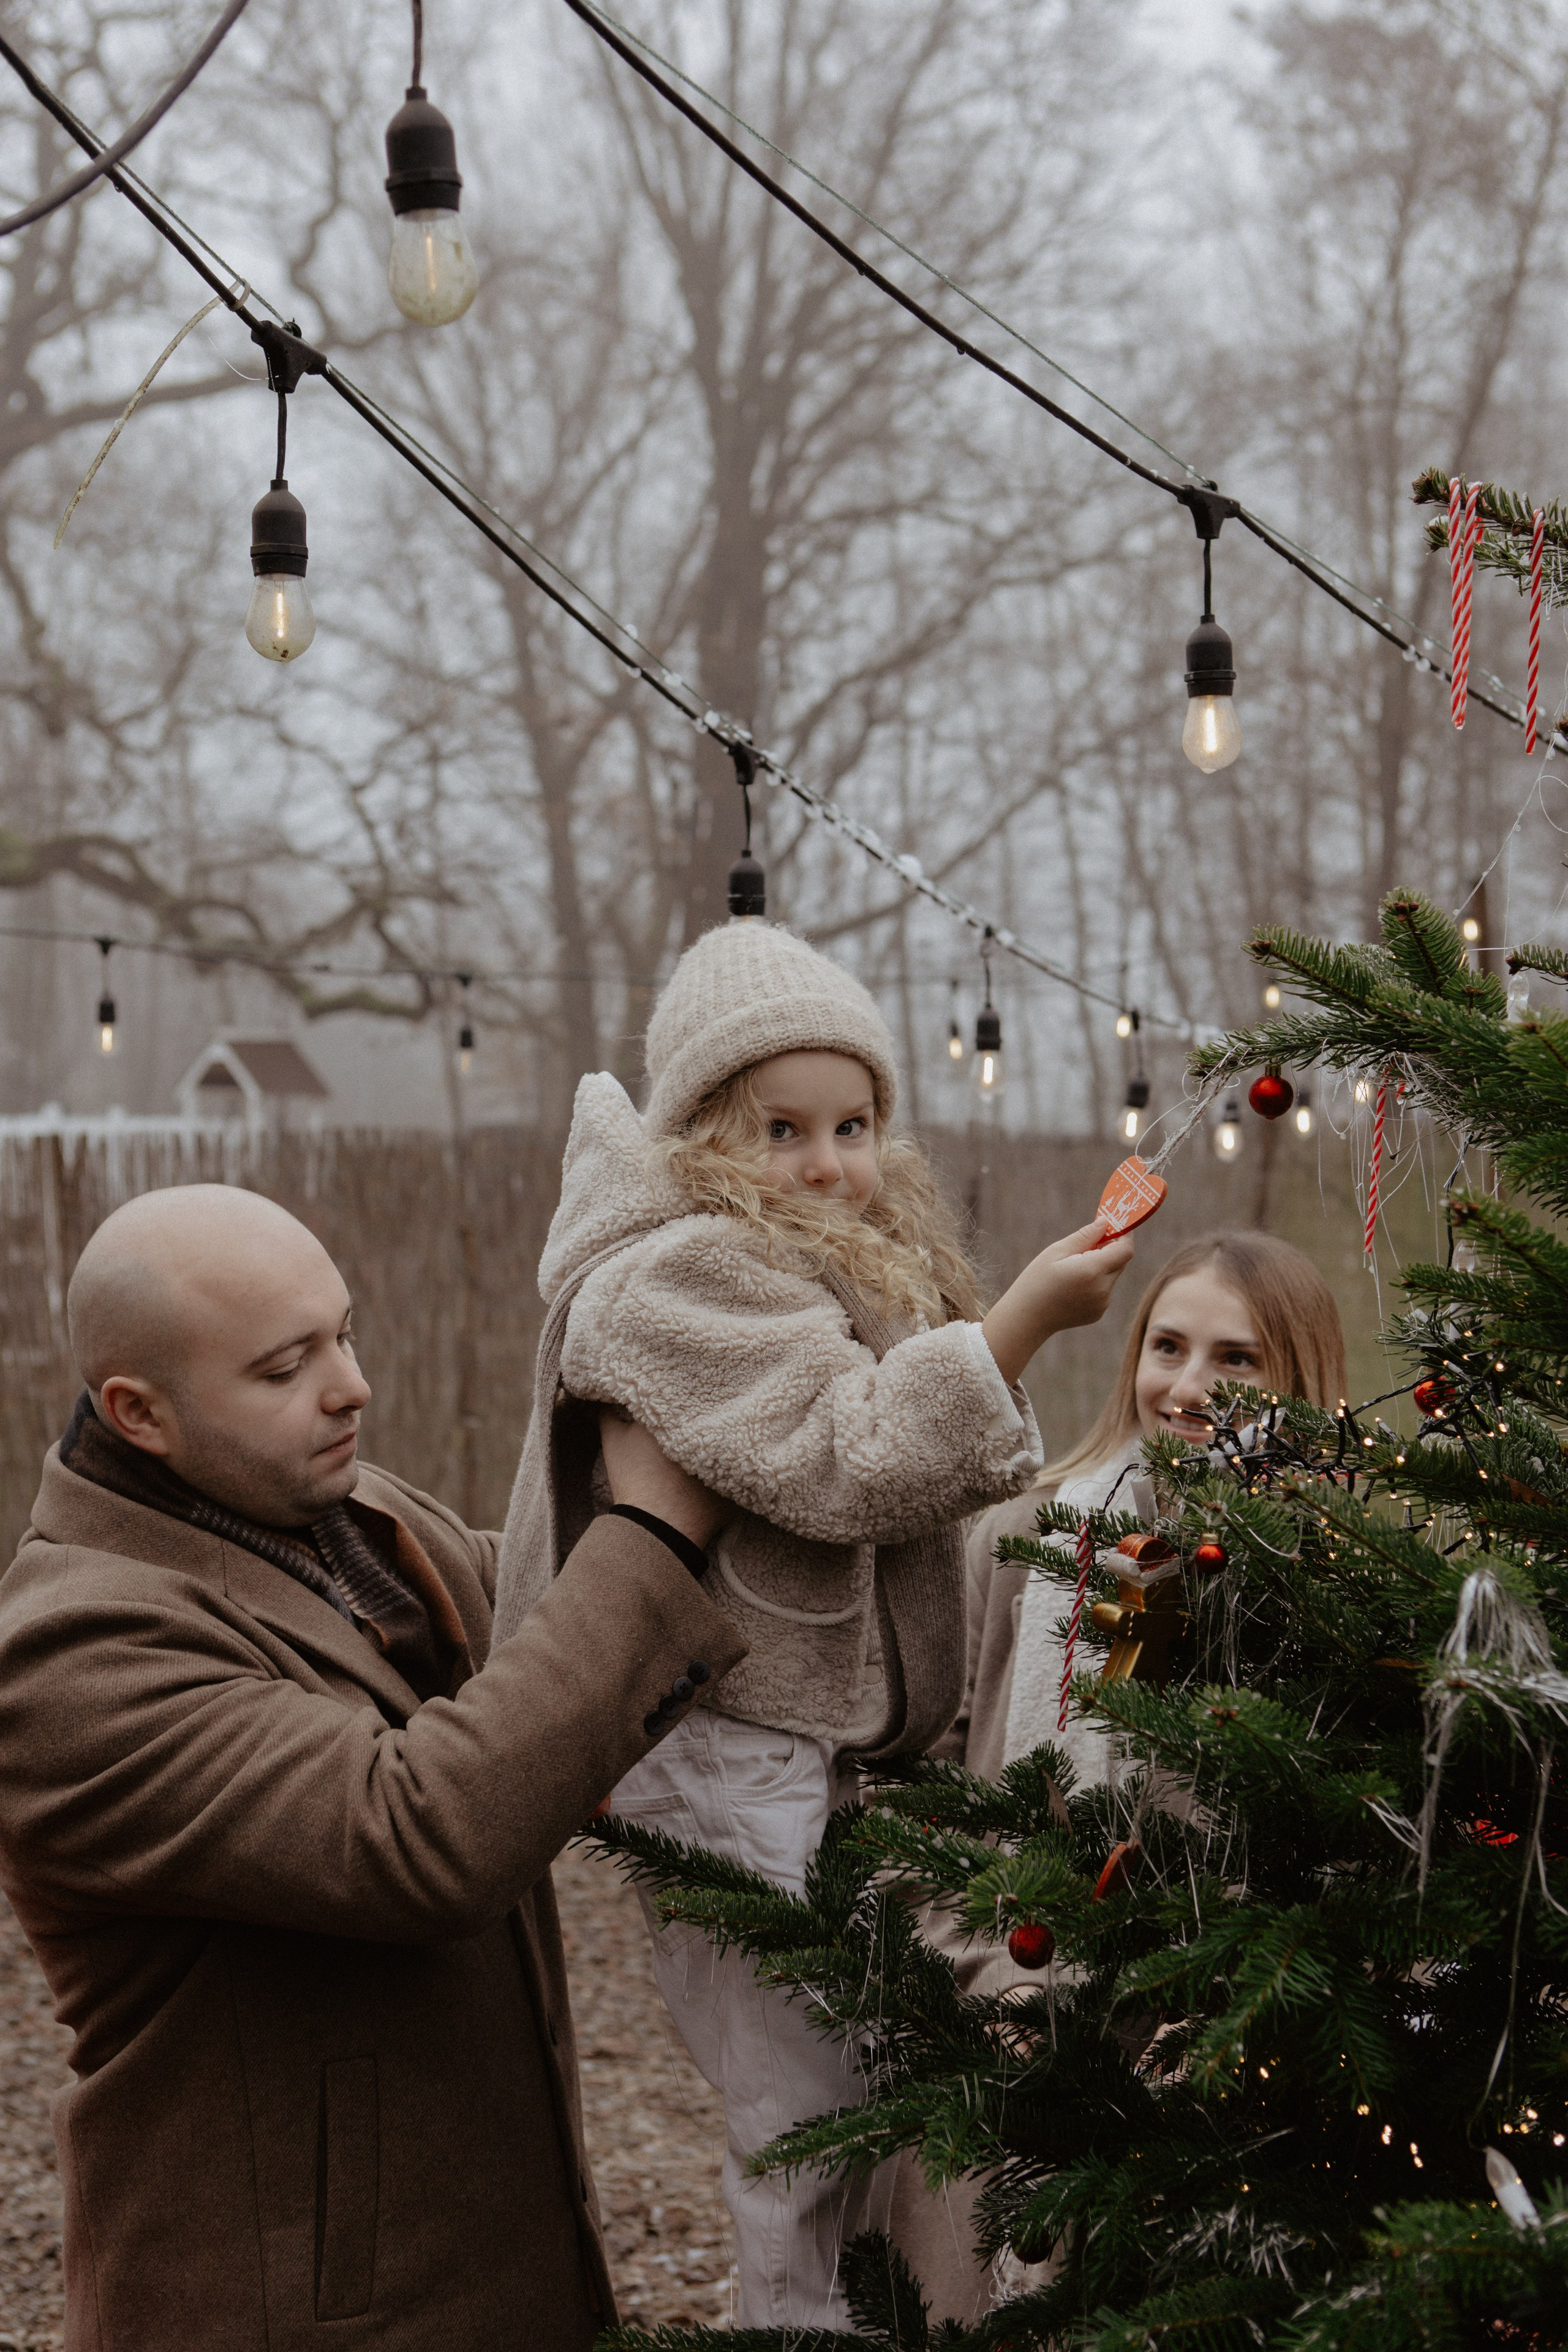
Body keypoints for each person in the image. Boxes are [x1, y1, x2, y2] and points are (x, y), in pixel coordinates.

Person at [493, 919, 1134, 2329]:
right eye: (781, 1128)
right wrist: (1017, 1325)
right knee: (795, 2098)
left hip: (812, 1748)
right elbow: (842, 1451)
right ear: (702, 1134)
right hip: (732, 1741)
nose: (828, 1162)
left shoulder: (824, 1254)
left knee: (854, 2084)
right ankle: (790, 2319)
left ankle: (843, 2313)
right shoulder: (675, 1278)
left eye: (851, 1123)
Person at [0, 1182, 747, 2352]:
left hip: (500, 2275)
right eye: (284, 1366)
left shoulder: (349, 1514)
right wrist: (651, 1532)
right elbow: (417, 1837)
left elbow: (555, 1635)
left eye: (343, 1333)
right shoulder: (69, 1658)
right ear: (140, 1414)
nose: (350, 1385)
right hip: (285, 2313)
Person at [888, 1230, 1349, 2323]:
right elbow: (922, 1783)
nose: (1187, 1387)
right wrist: (986, 1976)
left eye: (1234, 1360)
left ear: (1299, 1382)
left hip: (1218, 2069)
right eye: (1168, 1346)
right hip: (1009, 2014)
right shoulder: (1025, 1539)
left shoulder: (1332, 1589)